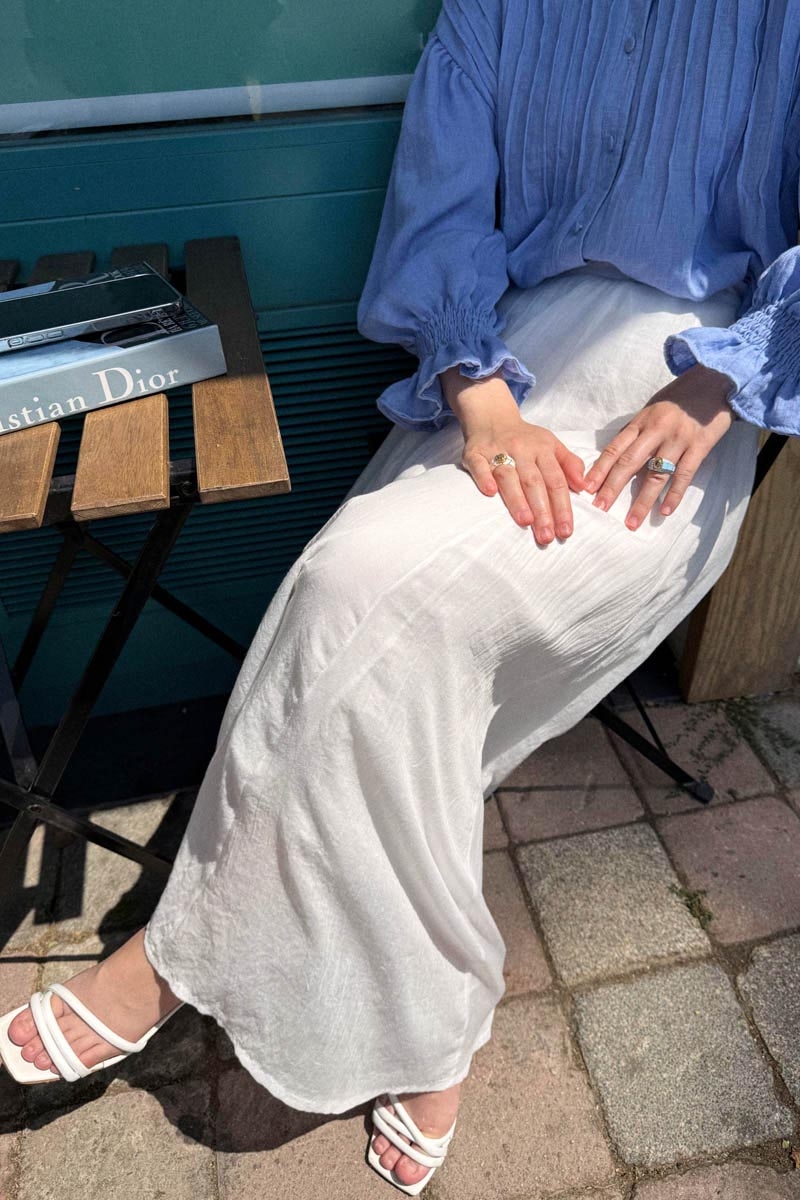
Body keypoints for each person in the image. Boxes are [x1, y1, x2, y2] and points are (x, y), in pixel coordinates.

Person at [2, 0, 799, 1194]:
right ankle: (428, 1016)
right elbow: (440, 213)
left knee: (370, 615)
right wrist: (478, 395)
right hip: (498, 362)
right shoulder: (499, 10)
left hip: (684, 394)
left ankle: (166, 962)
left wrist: (726, 384)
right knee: (351, 599)